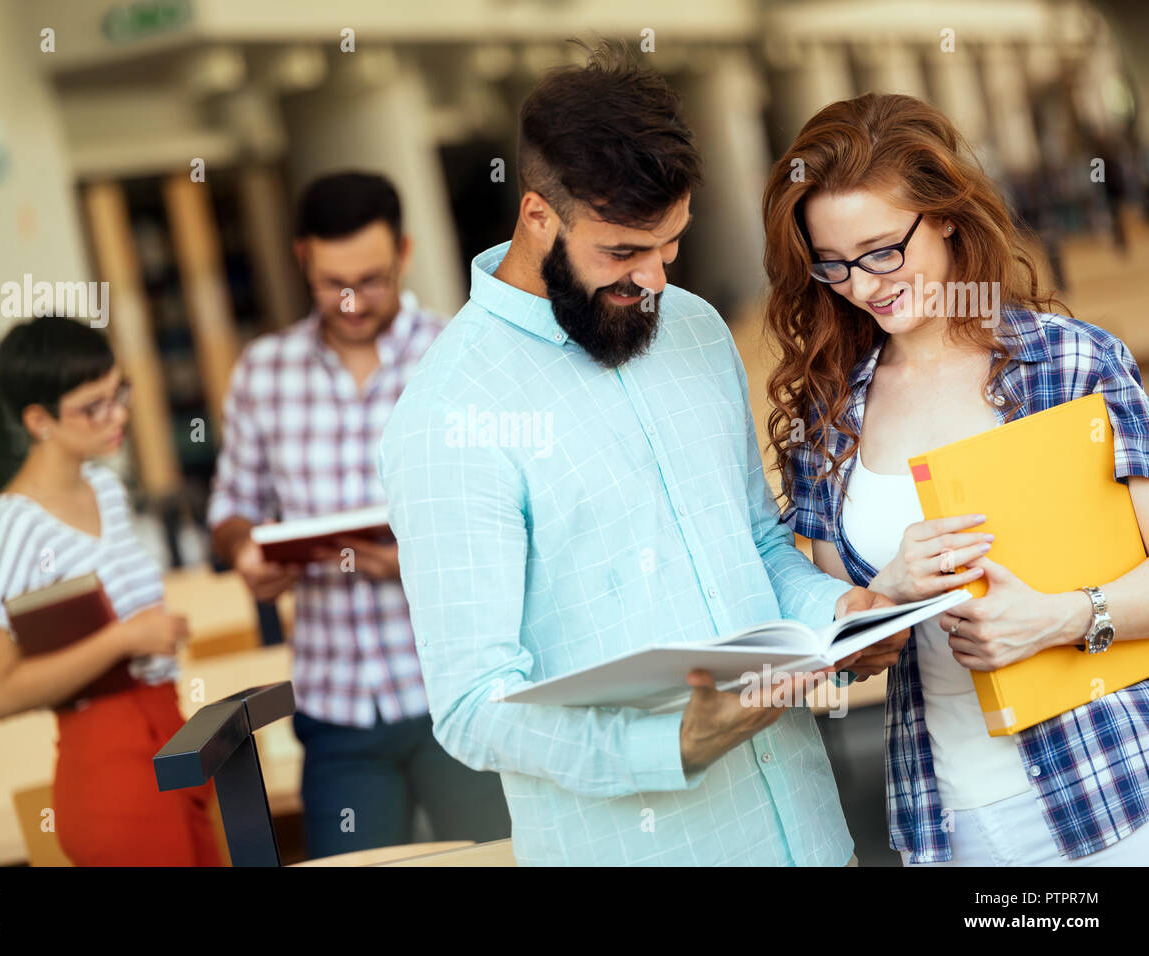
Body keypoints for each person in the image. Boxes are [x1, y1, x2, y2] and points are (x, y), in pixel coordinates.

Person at [378, 40, 900, 867]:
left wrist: (836, 619)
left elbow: (757, 547)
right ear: (537, 215)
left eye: (671, 245)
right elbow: (473, 704)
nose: (654, 280)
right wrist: (666, 750)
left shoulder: (693, 328)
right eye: (622, 253)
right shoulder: (450, 412)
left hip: (810, 833)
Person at [764, 92, 1149, 866]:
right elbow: (829, 642)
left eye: (882, 251)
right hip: (949, 821)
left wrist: (1066, 617)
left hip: (1120, 788)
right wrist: (892, 589)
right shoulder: (828, 410)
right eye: (832, 264)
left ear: (943, 214)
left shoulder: (1069, 365)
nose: (864, 285)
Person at [208, 171, 511, 859]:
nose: (350, 301)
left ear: (404, 253)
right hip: (336, 707)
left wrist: (416, 557)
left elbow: (509, 516)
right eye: (330, 283)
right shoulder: (263, 373)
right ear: (300, 261)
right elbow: (231, 507)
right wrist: (244, 552)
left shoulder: (458, 354)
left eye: (370, 281)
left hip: (457, 690)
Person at [0, 315, 220, 866]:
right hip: (109, 766)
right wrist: (124, 640)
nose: (119, 416)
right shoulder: (17, 523)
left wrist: (149, 634)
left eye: (119, 393)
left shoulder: (106, 487)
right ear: (39, 420)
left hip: (173, 735)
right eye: (94, 406)